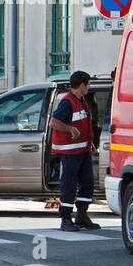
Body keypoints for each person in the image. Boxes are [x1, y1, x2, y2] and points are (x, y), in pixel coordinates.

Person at [48, 71, 100, 232]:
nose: (89, 87)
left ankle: (82, 215)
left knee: (87, 183)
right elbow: (53, 122)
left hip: (82, 151)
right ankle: (65, 218)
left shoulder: (81, 100)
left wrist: (89, 143)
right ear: (82, 85)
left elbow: (83, 124)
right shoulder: (67, 102)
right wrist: (69, 128)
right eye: (88, 84)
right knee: (69, 185)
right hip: (69, 153)